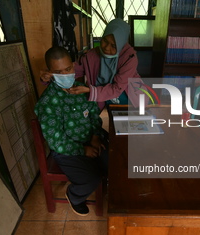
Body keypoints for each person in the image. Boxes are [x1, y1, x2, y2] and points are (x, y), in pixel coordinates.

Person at [34, 46, 108, 216]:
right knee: (90, 180)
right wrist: (83, 150)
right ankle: (74, 196)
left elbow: (95, 117)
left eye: (68, 69)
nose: (66, 74)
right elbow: (56, 141)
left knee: (115, 161)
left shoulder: (82, 89)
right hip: (67, 150)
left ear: (74, 66)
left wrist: (96, 137)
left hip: (90, 140)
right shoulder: (48, 103)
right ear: (50, 73)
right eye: (59, 72)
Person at [40, 18, 147, 111]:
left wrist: (90, 90)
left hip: (128, 97)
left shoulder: (129, 58)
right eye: (105, 40)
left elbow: (117, 88)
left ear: (121, 44)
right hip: (102, 98)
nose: (106, 48)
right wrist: (53, 76)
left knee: (129, 126)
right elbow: (72, 71)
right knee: (109, 125)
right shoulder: (91, 56)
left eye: (113, 45)